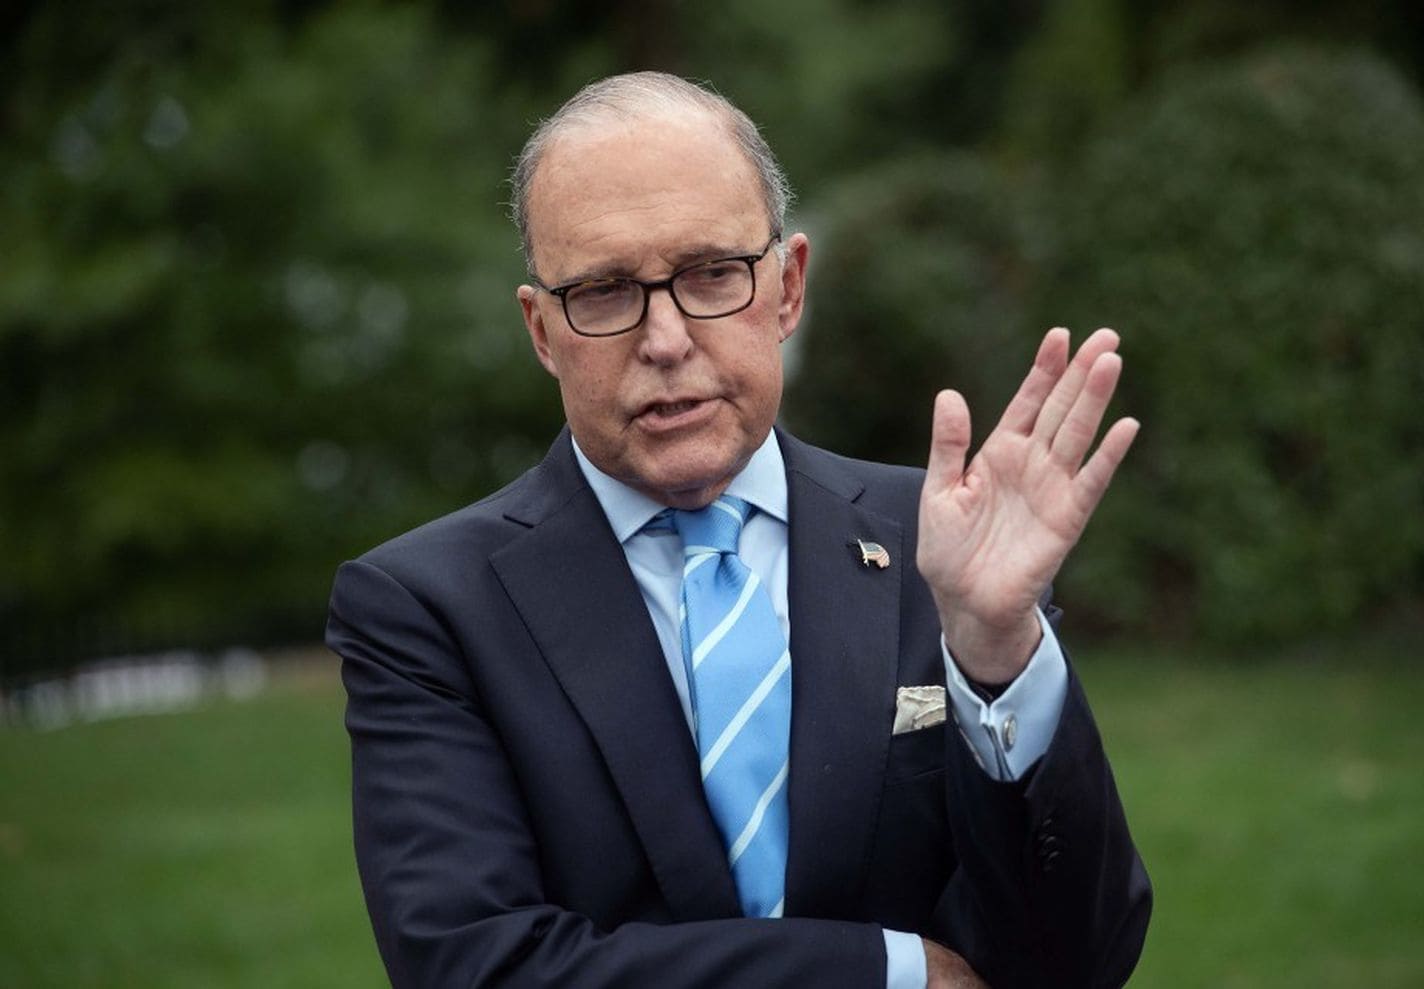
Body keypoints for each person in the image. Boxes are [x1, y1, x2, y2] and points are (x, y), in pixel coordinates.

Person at [327, 71, 1151, 988]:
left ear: (788, 287)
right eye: (604, 291)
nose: (666, 339)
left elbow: (1079, 959)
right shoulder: (429, 607)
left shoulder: (941, 545)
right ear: (542, 330)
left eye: (712, 273)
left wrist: (998, 652)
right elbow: (476, 965)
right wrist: (888, 970)